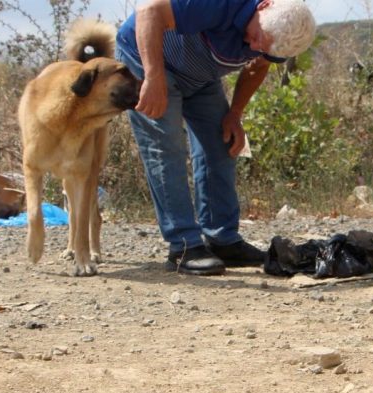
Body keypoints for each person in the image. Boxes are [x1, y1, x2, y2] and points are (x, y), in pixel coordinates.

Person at [116, 0, 317, 275]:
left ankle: (223, 240)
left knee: (223, 143)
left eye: (265, 47)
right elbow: (149, 10)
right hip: (149, 59)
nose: (256, 47)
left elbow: (258, 66)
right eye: (258, 38)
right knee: (167, 147)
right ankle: (183, 245)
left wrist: (235, 114)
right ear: (263, 6)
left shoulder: (275, 38)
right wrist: (153, 77)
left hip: (200, 75)